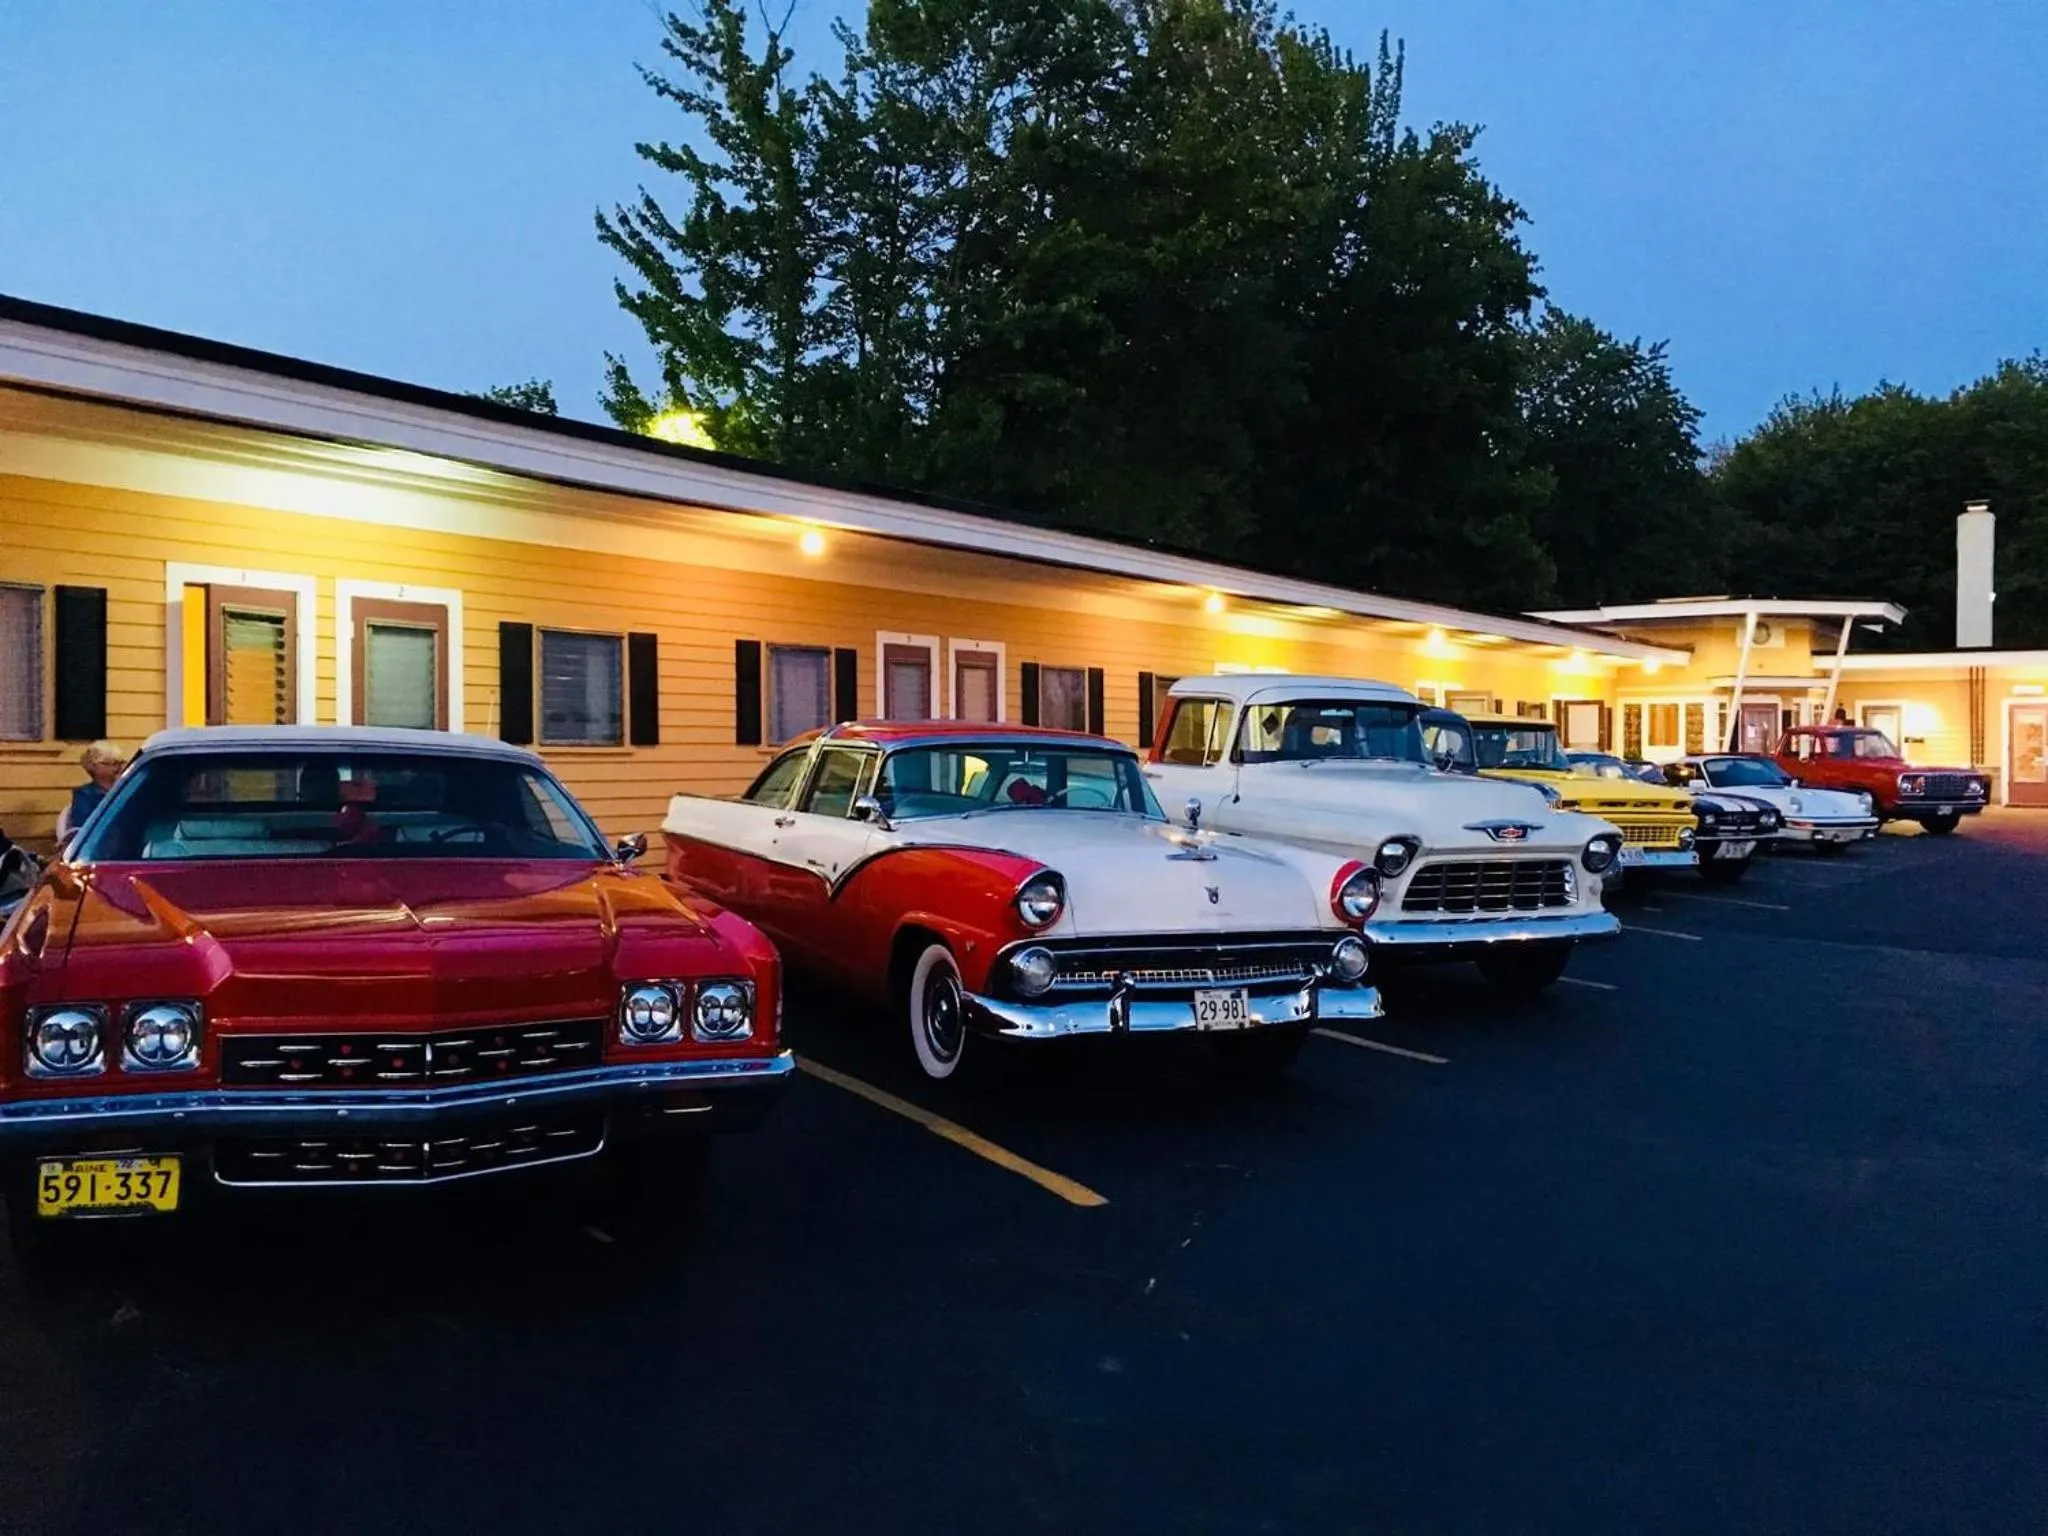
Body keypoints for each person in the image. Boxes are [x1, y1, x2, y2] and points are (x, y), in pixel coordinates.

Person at [57, 740, 127, 841]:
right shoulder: (85, 795)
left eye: (119, 762)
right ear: (93, 766)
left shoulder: (128, 787)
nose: (117, 767)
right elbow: (83, 828)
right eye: (111, 763)